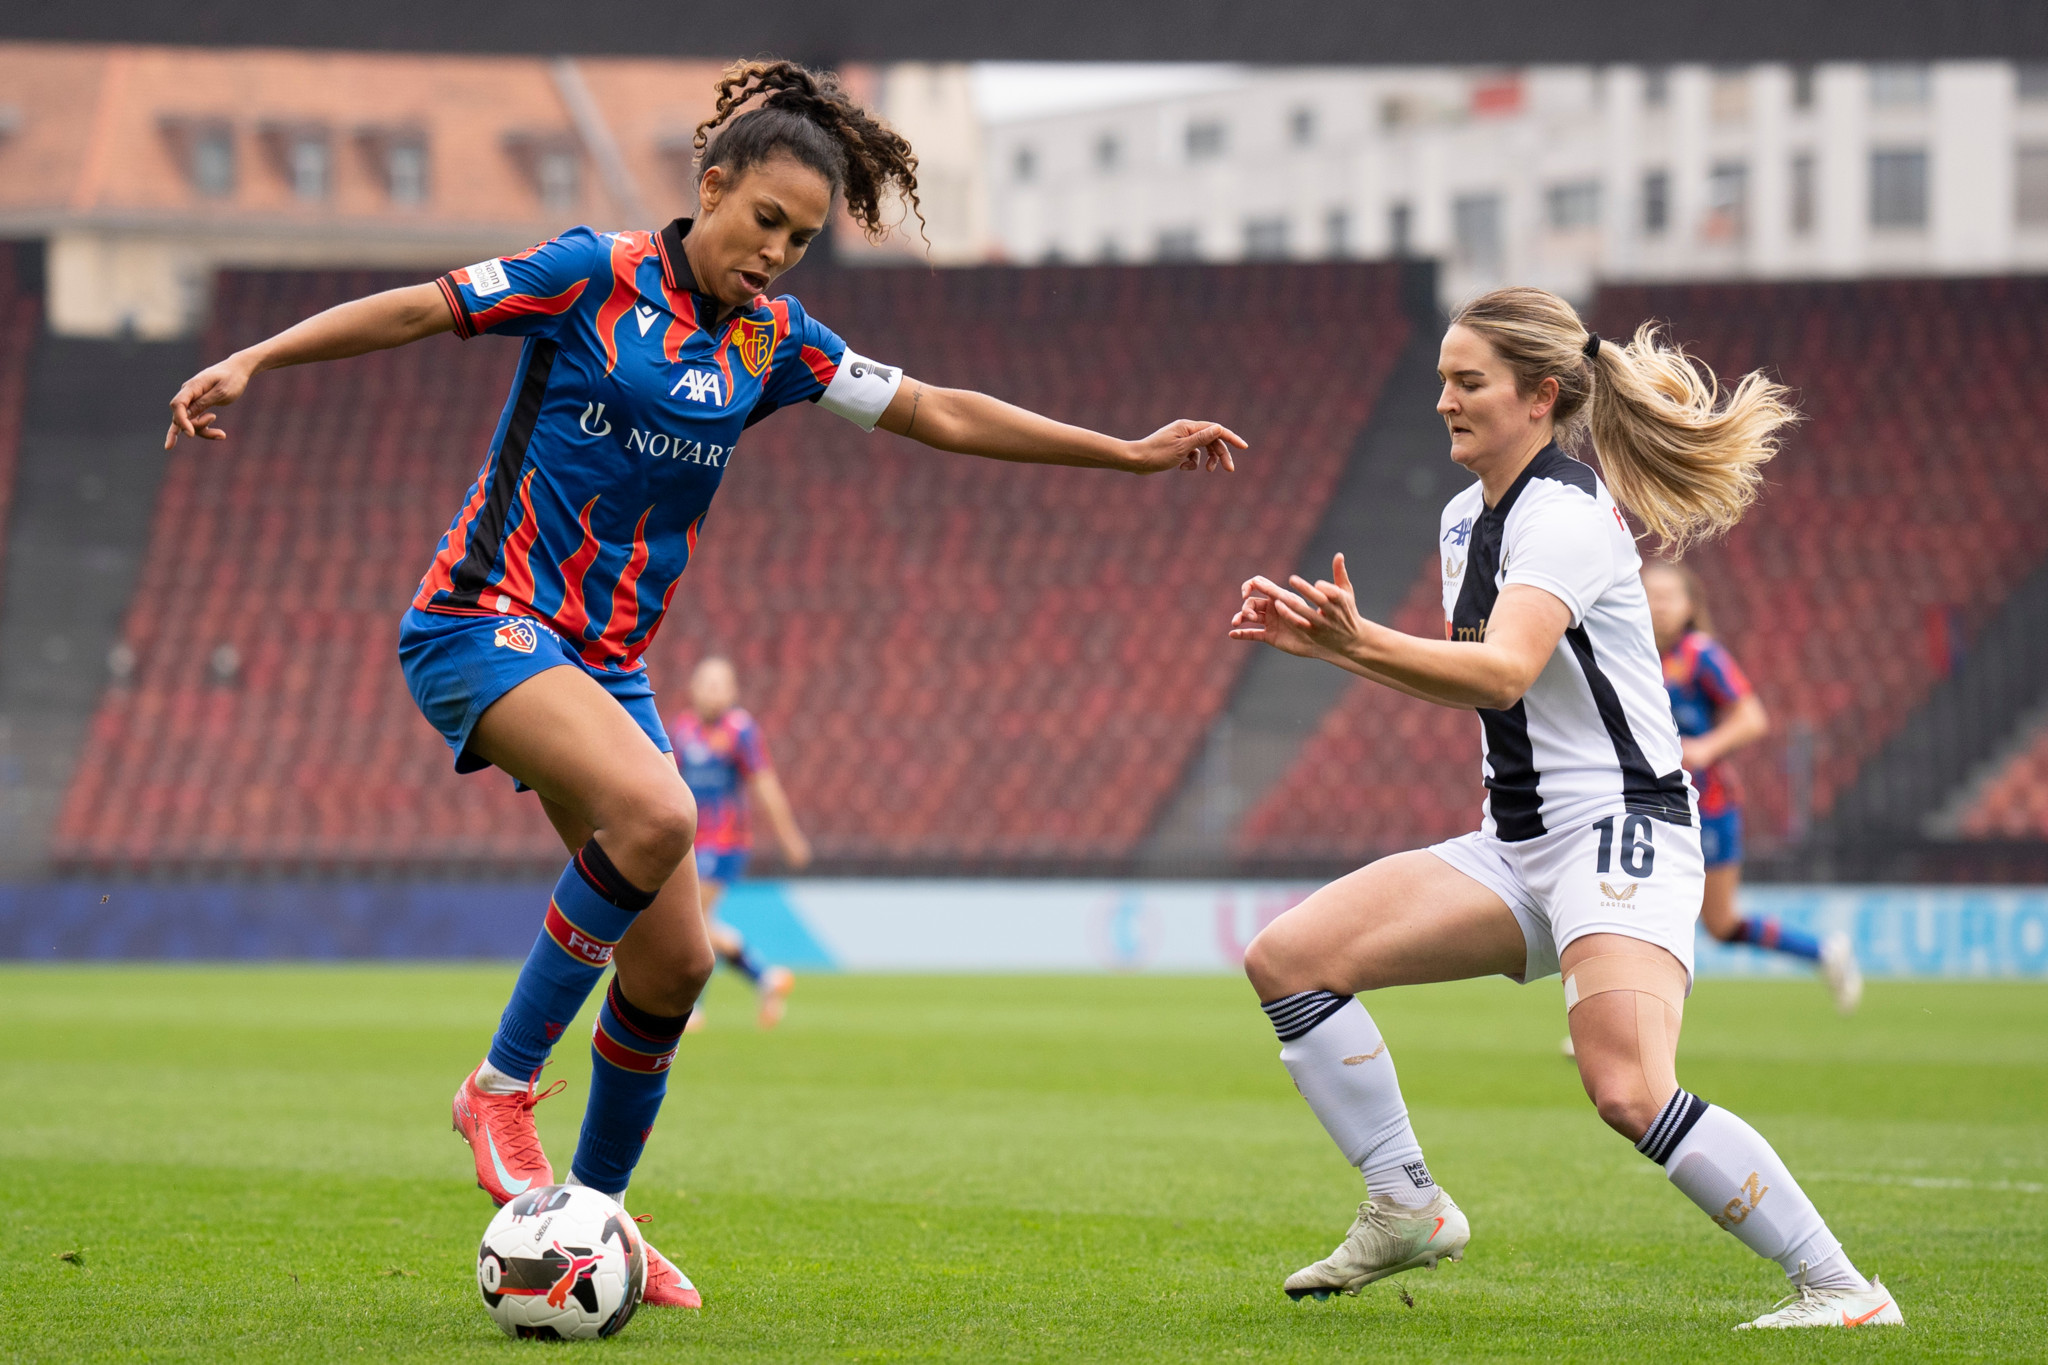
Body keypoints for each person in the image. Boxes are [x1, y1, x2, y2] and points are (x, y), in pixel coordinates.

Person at [163, 59, 1243, 1311]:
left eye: (800, 239)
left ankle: (596, 1218)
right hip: (481, 624)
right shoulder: (589, 274)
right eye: (763, 221)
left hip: (606, 667)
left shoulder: (776, 341)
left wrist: (1120, 454)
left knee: (672, 969)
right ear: (710, 186)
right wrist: (253, 359)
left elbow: (935, 410)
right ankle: (500, 1088)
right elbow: (418, 307)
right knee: (663, 816)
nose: (777, 253)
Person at [1228, 287, 1899, 1330]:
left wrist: (1351, 644)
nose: (1442, 400)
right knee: (1287, 962)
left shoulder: (1567, 516)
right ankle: (1405, 1205)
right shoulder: (1465, 516)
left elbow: (1499, 671)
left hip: (1621, 832)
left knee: (1627, 1091)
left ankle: (1844, 1291)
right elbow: (1478, 678)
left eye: (1466, 382)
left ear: (1538, 396)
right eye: (1441, 379)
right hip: (1518, 842)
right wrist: (1343, 649)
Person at [1646, 561, 1860, 1011]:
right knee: (1647, 907)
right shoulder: (1631, 654)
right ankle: (1624, 1023)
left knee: (1719, 924)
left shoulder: (1699, 654)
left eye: (1668, 596)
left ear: (1689, 607)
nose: (1658, 605)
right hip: (1651, 802)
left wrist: (1705, 748)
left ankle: (1824, 953)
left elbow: (1752, 716)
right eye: (1650, 594)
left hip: (1708, 804)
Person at [669, 656, 807, 1031]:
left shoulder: (740, 730)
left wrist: (788, 836)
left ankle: (692, 1005)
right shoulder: (681, 730)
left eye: (720, 684)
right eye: (706, 683)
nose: (713, 692)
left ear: (732, 691)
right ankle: (766, 979)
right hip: (690, 842)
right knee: (699, 921)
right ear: (693, 689)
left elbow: (764, 783)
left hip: (724, 840)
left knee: (691, 919)